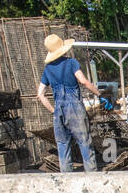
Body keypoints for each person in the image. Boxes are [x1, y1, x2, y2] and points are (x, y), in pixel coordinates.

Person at [37, 33, 100, 172]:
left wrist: (53, 110)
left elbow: (40, 94)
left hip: (58, 110)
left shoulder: (48, 69)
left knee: (63, 146)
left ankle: (67, 180)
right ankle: (93, 177)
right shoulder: (71, 63)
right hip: (75, 109)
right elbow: (83, 81)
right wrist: (99, 94)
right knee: (84, 143)